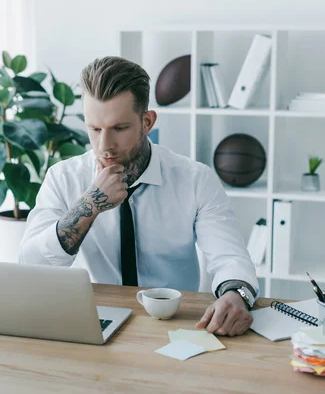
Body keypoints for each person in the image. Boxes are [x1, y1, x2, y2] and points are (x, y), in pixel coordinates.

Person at [19, 56, 258, 336]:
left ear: (147, 121)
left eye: (119, 128)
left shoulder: (195, 179)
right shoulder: (63, 177)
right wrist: (90, 204)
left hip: (177, 324)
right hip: (96, 319)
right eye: (94, 129)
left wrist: (235, 295)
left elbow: (231, 258)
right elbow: (31, 265)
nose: (104, 146)